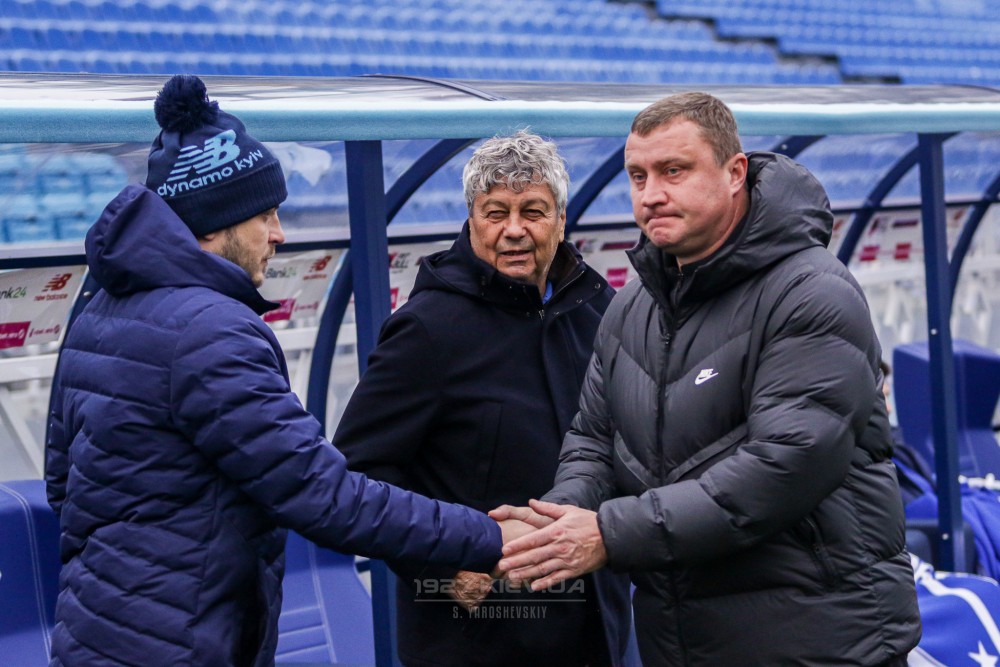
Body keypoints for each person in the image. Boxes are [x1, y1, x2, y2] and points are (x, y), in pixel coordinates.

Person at [43, 75, 530, 667]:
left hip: (96, 634)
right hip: (180, 645)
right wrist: (487, 535)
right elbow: (322, 494)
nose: (278, 235)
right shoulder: (212, 331)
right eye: (266, 215)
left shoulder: (98, 312)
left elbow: (62, 485)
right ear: (214, 222)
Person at [494, 92, 922, 665]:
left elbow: (786, 464)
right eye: (638, 176)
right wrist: (556, 523)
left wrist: (609, 534)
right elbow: (594, 440)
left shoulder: (810, 292)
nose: (651, 194)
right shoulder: (633, 305)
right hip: (680, 642)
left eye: (674, 170)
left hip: (817, 640)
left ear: (735, 172)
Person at [336, 131, 632, 667]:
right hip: (479, 636)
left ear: (561, 220)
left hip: (595, 627)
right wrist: (442, 567)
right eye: (495, 212)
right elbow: (360, 471)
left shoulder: (599, 310)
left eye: (533, 211)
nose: (514, 229)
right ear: (472, 220)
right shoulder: (428, 329)